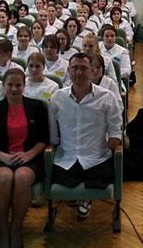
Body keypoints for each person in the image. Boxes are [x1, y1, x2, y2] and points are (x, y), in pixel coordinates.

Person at [0, 68, 48, 248]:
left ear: (24, 86)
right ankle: (3, 229)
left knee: (22, 176)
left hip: (29, 158)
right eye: (10, 85)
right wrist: (3, 157)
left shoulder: (37, 107)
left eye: (18, 85)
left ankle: (16, 229)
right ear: (3, 86)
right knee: (4, 177)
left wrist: (29, 154)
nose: (14, 89)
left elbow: (43, 140)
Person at [49, 53, 122, 220]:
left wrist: (111, 144)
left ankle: (85, 198)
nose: (79, 72)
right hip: (67, 159)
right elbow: (53, 135)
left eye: (84, 68)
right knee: (59, 175)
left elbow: (115, 132)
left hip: (97, 159)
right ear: (68, 71)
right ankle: (79, 197)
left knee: (99, 176)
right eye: (75, 68)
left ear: (91, 71)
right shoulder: (58, 98)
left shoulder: (107, 97)